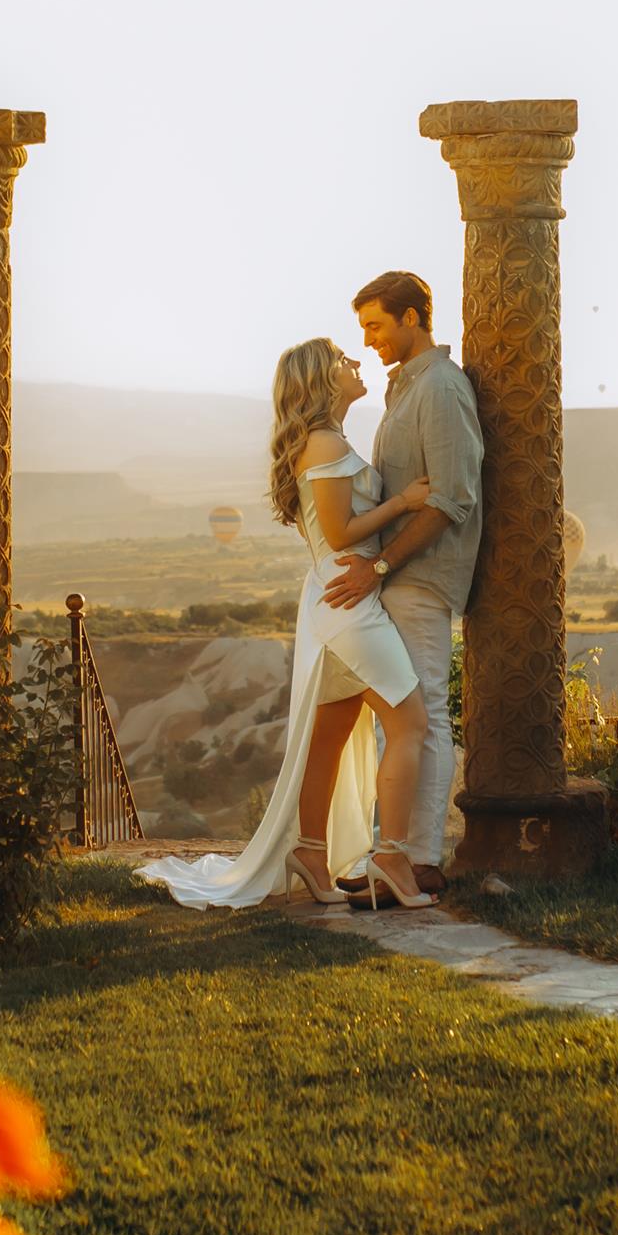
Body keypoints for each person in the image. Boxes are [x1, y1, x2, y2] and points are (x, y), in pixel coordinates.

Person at [137, 336, 438, 911]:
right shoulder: (324, 444)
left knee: (329, 736)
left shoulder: (330, 441)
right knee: (411, 724)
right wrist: (404, 503)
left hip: (338, 598)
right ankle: (393, 858)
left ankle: (310, 851)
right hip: (348, 602)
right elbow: (342, 531)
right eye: (342, 359)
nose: (355, 362)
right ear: (321, 379)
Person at [321, 270, 483, 895]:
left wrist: (381, 566)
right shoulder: (406, 389)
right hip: (396, 578)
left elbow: (451, 498)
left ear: (413, 318)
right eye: (363, 328)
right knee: (403, 718)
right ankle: (395, 856)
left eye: (377, 325)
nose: (368, 340)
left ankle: (419, 861)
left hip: (420, 576)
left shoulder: (441, 388)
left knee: (426, 715)